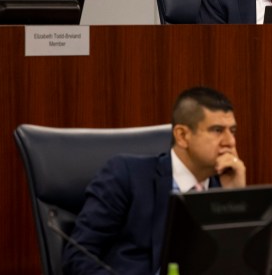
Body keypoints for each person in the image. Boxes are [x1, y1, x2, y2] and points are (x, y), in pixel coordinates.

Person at [62, 86, 246, 275]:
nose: (230, 141)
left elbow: (240, 267)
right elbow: (78, 258)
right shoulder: (128, 175)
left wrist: (234, 197)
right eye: (217, 130)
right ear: (182, 136)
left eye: (232, 131)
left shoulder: (222, 188)